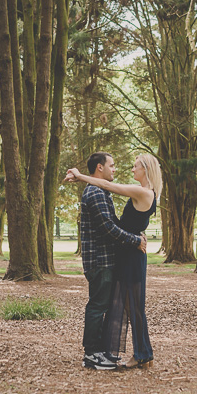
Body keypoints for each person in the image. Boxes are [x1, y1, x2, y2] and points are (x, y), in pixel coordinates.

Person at [67, 153, 161, 369]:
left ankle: (142, 354)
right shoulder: (145, 192)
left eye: (135, 166)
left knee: (133, 305)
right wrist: (135, 238)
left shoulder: (142, 191)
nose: (131, 169)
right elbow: (116, 221)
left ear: (145, 169)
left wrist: (80, 176)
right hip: (127, 250)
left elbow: (108, 187)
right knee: (126, 304)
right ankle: (120, 352)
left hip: (132, 252)